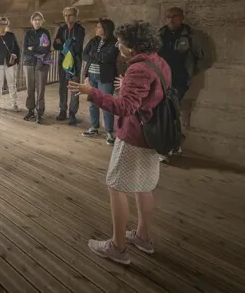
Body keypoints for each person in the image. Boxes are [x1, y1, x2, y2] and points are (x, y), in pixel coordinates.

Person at [69, 20, 170, 265]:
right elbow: (153, 94)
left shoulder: (138, 69)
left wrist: (90, 92)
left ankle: (117, 246)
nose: (118, 44)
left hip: (135, 135)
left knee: (116, 185)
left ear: (132, 46)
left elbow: (125, 108)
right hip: (152, 134)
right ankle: (143, 237)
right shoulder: (158, 61)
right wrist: (126, 86)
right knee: (143, 186)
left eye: (121, 41)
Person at [158, 7, 204, 162]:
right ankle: (171, 146)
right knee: (166, 113)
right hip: (161, 79)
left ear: (182, 18)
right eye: (168, 16)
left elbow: (204, 58)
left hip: (179, 80)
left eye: (175, 16)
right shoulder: (161, 34)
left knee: (170, 113)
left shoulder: (190, 36)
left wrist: (190, 72)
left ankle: (170, 147)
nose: (171, 19)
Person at [82, 18, 119, 144]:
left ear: (105, 29)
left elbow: (108, 58)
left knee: (106, 103)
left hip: (105, 77)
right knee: (92, 102)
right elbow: (84, 54)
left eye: (99, 27)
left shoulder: (114, 42)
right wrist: (97, 56)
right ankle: (94, 127)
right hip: (92, 75)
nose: (96, 29)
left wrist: (93, 55)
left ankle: (110, 132)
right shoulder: (94, 40)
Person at [53, 6, 85, 125]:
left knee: (74, 88)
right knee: (62, 87)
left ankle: (72, 113)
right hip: (63, 62)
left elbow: (77, 47)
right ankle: (62, 111)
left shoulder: (80, 29)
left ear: (75, 16)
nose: (67, 17)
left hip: (75, 63)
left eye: (70, 15)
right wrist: (68, 44)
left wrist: (63, 44)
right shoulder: (61, 29)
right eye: (65, 15)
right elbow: (55, 45)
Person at [22, 11, 52, 124]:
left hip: (42, 64)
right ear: (31, 21)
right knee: (30, 88)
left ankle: (39, 112)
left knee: (40, 89)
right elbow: (25, 49)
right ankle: (30, 110)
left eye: (39, 19)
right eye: (35, 19)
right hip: (29, 63)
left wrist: (33, 48)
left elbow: (46, 49)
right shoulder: (27, 33)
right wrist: (38, 48)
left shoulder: (46, 32)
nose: (37, 21)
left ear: (42, 21)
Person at [0, 16, 20, 111]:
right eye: (1, 24)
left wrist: (16, 58)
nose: (3, 26)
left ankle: (14, 104)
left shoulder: (11, 35)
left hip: (10, 63)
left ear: (7, 24)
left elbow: (17, 48)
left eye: (5, 24)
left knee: (12, 83)